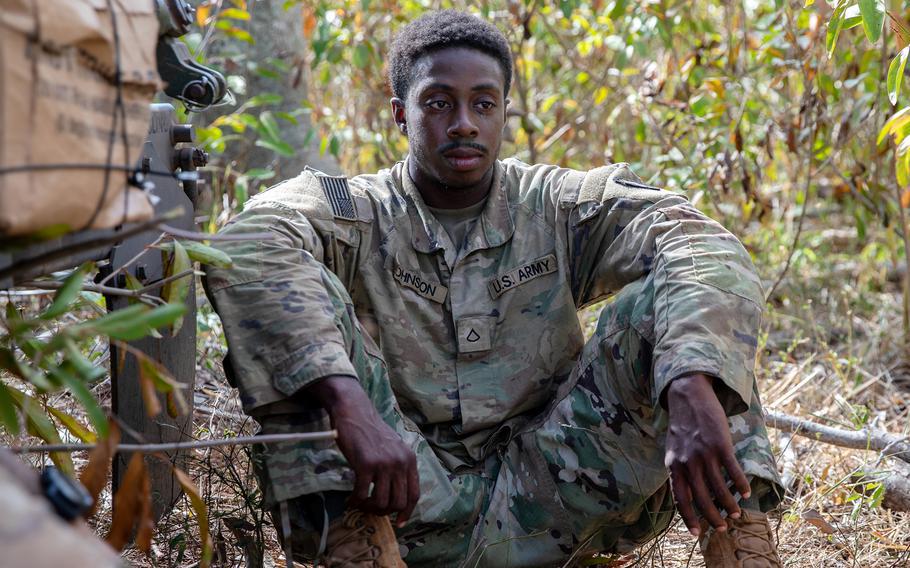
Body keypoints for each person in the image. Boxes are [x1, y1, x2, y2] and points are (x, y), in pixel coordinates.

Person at [205, 10, 783, 567]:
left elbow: (699, 243)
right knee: (303, 341)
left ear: (505, 111)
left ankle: (744, 549)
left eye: (483, 104)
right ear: (400, 115)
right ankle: (361, 554)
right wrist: (347, 403)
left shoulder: (556, 204)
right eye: (438, 104)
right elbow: (246, 242)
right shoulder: (355, 213)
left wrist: (689, 382)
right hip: (401, 501)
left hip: (558, 491)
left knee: (688, 323)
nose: (463, 123)